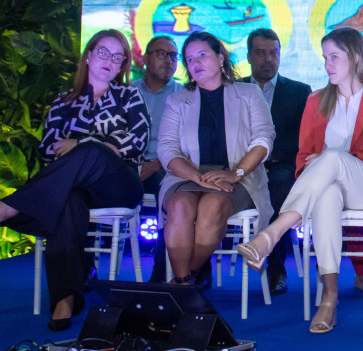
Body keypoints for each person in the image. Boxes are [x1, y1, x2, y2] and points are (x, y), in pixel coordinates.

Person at [236, 27, 363, 334]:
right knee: (327, 196)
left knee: (333, 157)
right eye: (325, 58)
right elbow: (303, 158)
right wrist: (328, 163)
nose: (327, 64)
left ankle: (272, 232)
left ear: (355, 57)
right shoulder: (316, 101)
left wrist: (340, 159)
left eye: (334, 57)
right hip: (329, 189)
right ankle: (329, 297)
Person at [0, 30, 148, 331]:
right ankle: (65, 298)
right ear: (89, 55)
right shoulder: (63, 102)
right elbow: (49, 148)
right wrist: (101, 144)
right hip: (75, 188)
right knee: (68, 201)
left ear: (121, 66)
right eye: (103, 52)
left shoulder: (129, 96)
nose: (109, 60)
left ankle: (11, 207)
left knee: (92, 152)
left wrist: (81, 144)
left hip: (119, 184)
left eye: (117, 57)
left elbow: (136, 141)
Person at [157, 32, 275, 286]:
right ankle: (185, 283)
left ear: (220, 59)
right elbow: (167, 150)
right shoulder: (176, 101)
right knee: (179, 206)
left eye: (202, 55)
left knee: (212, 206)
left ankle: (182, 281)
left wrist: (236, 173)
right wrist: (196, 176)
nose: (196, 63)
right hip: (187, 175)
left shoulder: (249, 93)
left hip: (239, 176)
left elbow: (264, 139)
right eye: (190, 59)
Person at [240, 28, 311, 295]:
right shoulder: (233, 89)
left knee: (280, 189)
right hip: (239, 166)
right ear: (249, 56)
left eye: (273, 53)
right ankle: (200, 271)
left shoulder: (299, 91)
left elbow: (304, 139)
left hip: (280, 164)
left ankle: (276, 268)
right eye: (260, 53)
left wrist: (267, 155)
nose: (268, 59)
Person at [133, 36, 183, 284]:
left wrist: (156, 165)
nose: (169, 61)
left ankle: (161, 270)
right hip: (128, 165)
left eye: (173, 56)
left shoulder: (185, 95)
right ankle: (86, 268)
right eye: (161, 54)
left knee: (171, 194)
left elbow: (186, 144)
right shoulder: (127, 92)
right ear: (145, 58)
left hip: (165, 166)